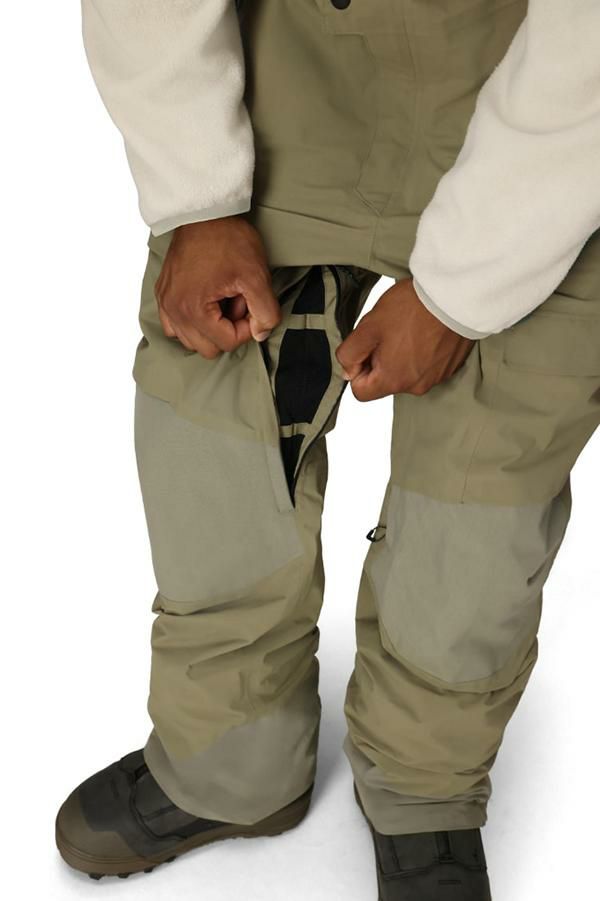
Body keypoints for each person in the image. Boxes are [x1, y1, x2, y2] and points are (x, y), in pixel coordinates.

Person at [55, 2, 600, 898]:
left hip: (546, 88)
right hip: (299, 54)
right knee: (215, 404)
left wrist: (459, 293)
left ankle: (422, 785)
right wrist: (198, 196)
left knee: (484, 489)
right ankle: (232, 763)